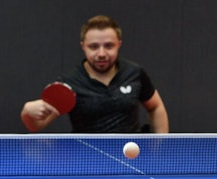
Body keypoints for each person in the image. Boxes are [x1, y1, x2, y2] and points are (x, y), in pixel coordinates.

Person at [20, 15, 169, 134]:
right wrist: (27, 113)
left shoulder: (134, 73)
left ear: (119, 44)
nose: (101, 53)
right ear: (83, 46)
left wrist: (160, 147)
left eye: (109, 46)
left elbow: (155, 107)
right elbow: (37, 125)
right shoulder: (69, 83)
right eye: (94, 47)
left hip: (130, 153)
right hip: (87, 155)